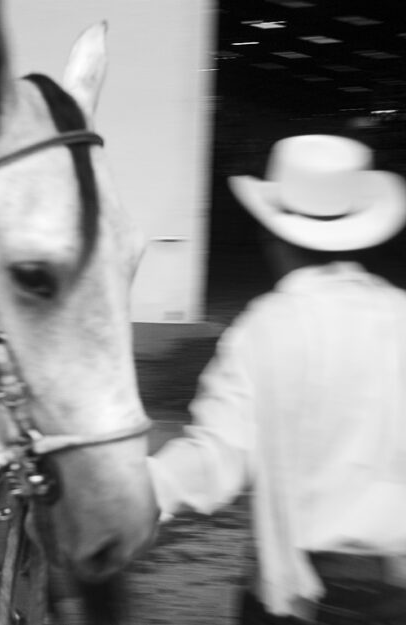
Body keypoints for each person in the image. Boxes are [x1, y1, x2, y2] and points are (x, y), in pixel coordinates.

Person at [147, 134, 406, 624]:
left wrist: (139, 490)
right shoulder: (401, 316)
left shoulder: (265, 328)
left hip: (302, 595)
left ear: (273, 237)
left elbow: (218, 456)